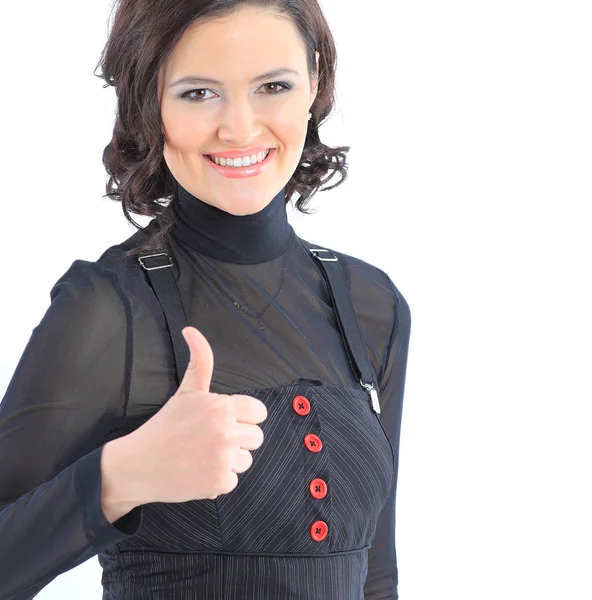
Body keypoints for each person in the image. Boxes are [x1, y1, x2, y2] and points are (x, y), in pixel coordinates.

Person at [0, 0, 411, 598]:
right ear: (150, 100)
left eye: (273, 85)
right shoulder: (110, 309)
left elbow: (378, 573)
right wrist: (118, 477)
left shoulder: (371, 305)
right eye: (199, 93)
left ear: (315, 81)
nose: (239, 129)